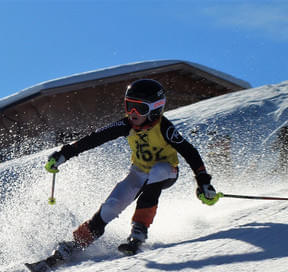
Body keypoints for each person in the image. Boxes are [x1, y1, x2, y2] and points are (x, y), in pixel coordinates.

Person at [45, 79, 218, 258]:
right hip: (139, 172)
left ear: (155, 109)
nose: (133, 113)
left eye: (140, 108)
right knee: (111, 206)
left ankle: (139, 230)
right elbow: (95, 138)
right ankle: (77, 243)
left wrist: (203, 183)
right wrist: (64, 154)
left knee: (158, 171)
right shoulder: (126, 125)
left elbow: (190, 152)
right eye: (129, 106)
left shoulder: (165, 128)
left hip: (167, 171)